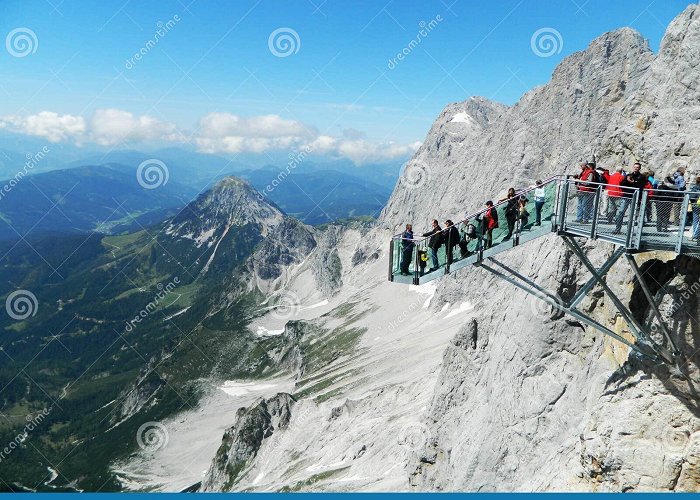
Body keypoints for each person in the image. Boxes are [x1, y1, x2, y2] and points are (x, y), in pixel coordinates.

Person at [614, 162, 647, 234]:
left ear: (640, 168)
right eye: (635, 167)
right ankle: (617, 229)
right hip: (626, 196)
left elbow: (641, 187)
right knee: (620, 212)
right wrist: (627, 180)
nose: (636, 168)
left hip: (635, 197)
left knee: (632, 215)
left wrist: (633, 182)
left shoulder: (642, 177)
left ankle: (629, 231)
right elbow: (622, 184)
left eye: (637, 167)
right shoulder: (628, 175)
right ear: (633, 167)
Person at [691, 176, 700, 241]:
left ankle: (695, 236)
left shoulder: (695, 188)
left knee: (695, 220)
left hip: (696, 205)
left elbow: (692, 197)